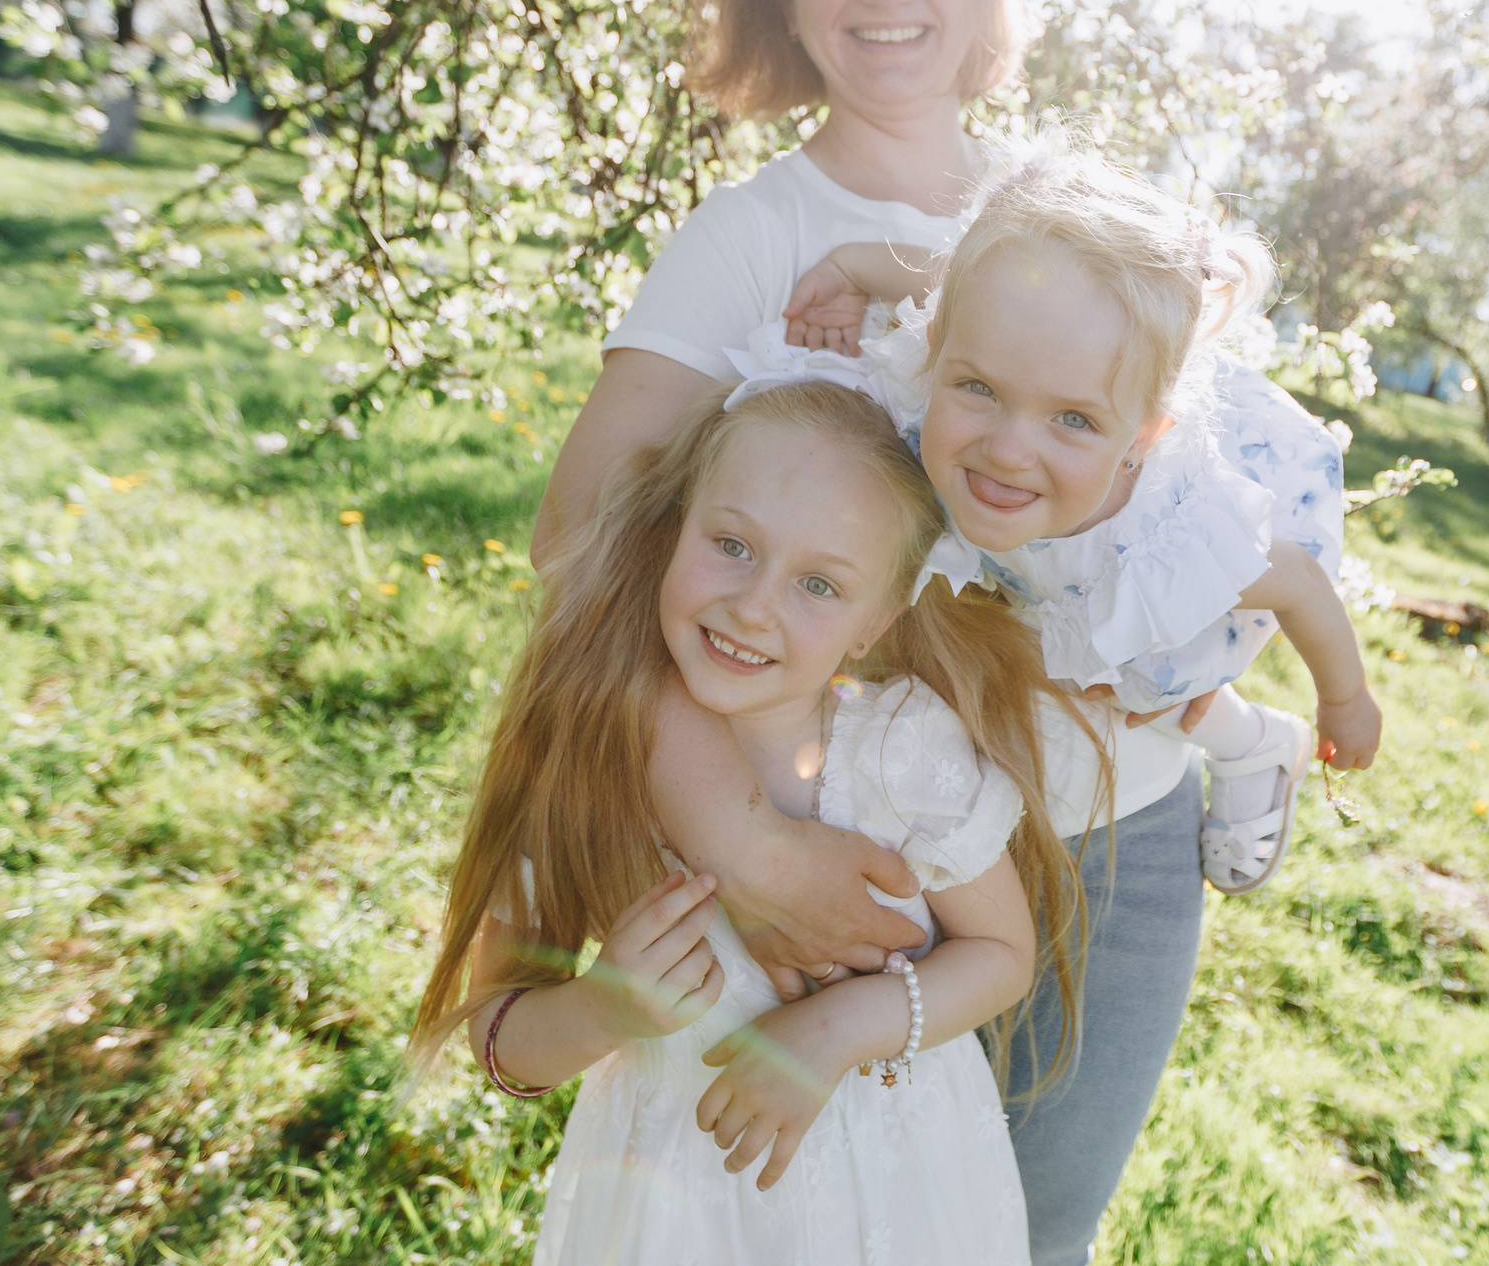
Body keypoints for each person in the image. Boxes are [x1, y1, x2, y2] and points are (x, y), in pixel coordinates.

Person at [532, 0, 1211, 1265]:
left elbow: (1192, 474)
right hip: (855, 849)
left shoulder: (1070, 216)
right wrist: (736, 832)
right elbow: (576, 544)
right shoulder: (750, 238)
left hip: (1120, 834)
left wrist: (1215, 641)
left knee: (1027, 1236)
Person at [413, 377, 1090, 1263]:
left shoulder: (900, 747)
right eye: (731, 544)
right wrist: (601, 1009)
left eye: (818, 583)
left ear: (873, 622)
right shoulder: (588, 760)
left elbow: (1002, 957)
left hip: (898, 1189)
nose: (755, 604)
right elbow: (498, 1036)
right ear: (674, 529)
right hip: (675, 1201)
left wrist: (836, 1030)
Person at [782, 149, 1387, 896]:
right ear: (937, 351)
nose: (1007, 451)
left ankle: (1252, 744)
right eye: (978, 387)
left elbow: (1298, 584)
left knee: (1131, 681)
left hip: (1145, 557)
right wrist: (847, 268)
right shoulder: (954, 357)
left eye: (1072, 418)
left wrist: (1346, 700)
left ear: (1142, 435)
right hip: (1054, 523)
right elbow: (941, 274)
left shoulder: (1172, 535)